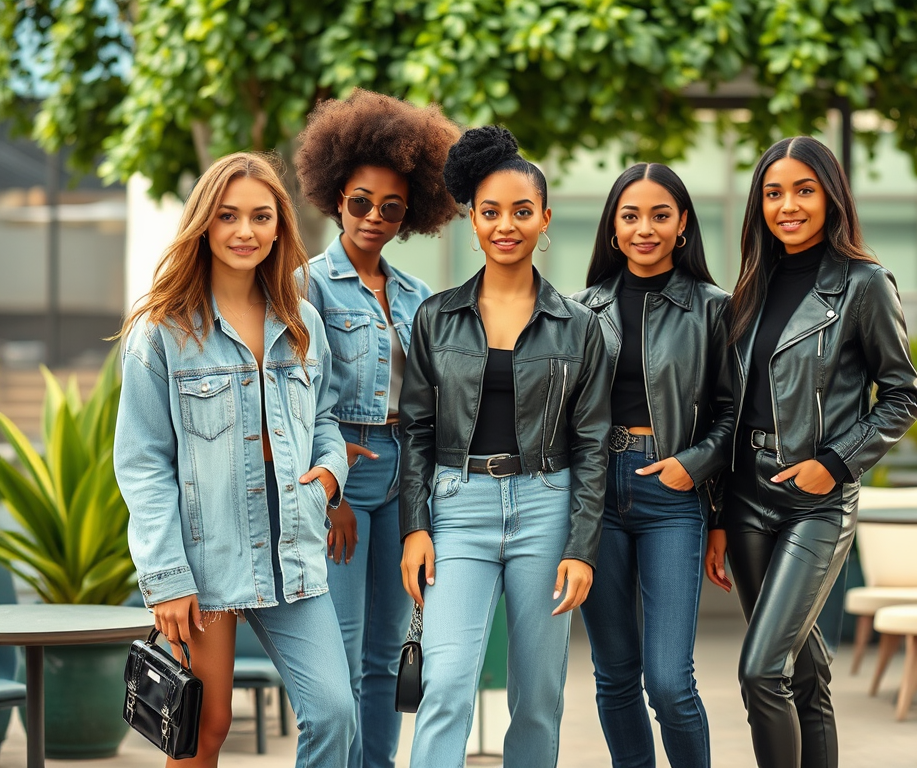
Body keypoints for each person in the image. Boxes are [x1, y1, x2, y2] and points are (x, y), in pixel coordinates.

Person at [113, 152, 356, 767]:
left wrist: (329, 474)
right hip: (205, 560)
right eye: (228, 216)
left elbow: (325, 416)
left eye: (260, 216)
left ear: (280, 227)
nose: (244, 231)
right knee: (203, 728)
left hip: (293, 556)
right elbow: (143, 465)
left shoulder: (301, 322)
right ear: (204, 224)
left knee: (334, 713)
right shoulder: (163, 331)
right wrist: (166, 577)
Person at [705, 136, 917, 768]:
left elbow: (903, 396)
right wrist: (720, 513)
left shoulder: (864, 284)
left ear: (832, 197)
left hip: (816, 503)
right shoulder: (746, 291)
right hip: (748, 498)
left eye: (804, 190)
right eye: (774, 193)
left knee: (759, 670)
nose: (788, 206)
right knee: (802, 673)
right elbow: (729, 409)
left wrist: (834, 465)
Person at [399, 125, 612, 767]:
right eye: (490, 212)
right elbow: (416, 429)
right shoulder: (436, 317)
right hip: (457, 506)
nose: (506, 225)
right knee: (448, 684)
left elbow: (595, 444)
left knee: (539, 696)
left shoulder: (579, 327)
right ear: (473, 220)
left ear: (545, 219)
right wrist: (416, 526)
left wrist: (581, 547)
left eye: (522, 212)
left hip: (548, 507)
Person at [294, 89, 461, 768]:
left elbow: (427, 402)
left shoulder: (418, 296)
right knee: (341, 643)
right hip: (347, 462)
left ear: (411, 213)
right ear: (336, 197)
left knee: (387, 652)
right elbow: (302, 398)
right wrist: (332, 494)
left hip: (407, 468)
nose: (374, 217)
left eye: (392, 208)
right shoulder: (308, 284)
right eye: (361, 202)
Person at [574, 163, 733, 768]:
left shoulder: (715, 308)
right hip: (596, 494)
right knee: (614, 675)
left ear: (683, 224)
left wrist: (691, 468)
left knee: (669, 682)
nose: (645, 228)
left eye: (660, 215)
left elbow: (731, 416)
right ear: (613, 228)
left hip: (673, 491)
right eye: (631, 215)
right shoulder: (581, 309)